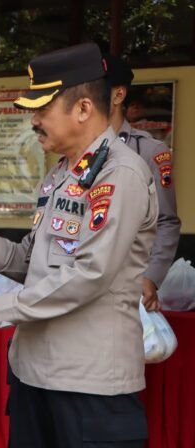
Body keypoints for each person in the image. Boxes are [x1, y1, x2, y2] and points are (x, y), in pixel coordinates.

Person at [0, 43, 157, 448]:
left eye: (42, 109)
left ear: (82, 107)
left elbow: (89, 275)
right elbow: (34, 262)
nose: (33, 120)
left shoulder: (121, 176)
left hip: (90, 384)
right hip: (36, 375)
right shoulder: (61, 175)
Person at [105, 55, 180, 311]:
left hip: (129, 287)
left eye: (92, 90)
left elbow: (166, 220)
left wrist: (152, 277)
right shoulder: (76, 152)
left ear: (118, 95)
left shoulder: (149, 150)